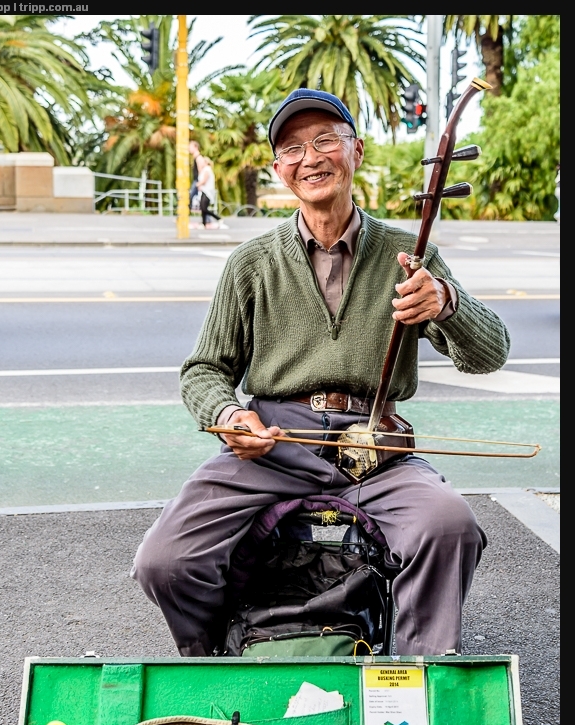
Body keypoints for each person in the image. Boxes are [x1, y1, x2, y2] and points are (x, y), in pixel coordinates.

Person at [131, 89, 510, 658]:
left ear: (356, 151)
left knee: (449, 526)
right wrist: (229, 415)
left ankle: (414, 677)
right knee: (163, 561)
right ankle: (218, 661)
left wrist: (446, 302)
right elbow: (204, 370)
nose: (310, 158)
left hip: (375, 446)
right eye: (292, 149)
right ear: (279, 169)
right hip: (275, 446)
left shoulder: (410, 254)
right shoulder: (251, 263)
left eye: (325, 140)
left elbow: (491, 354)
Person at [196, 156, 222, 228]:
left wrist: (197, 184)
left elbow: (204, 180)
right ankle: (203, 223)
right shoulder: (205, 170)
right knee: (203, 208)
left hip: (207, 192)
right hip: (204, 191)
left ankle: (218, 218)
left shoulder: (207, 169)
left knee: (204, 208)